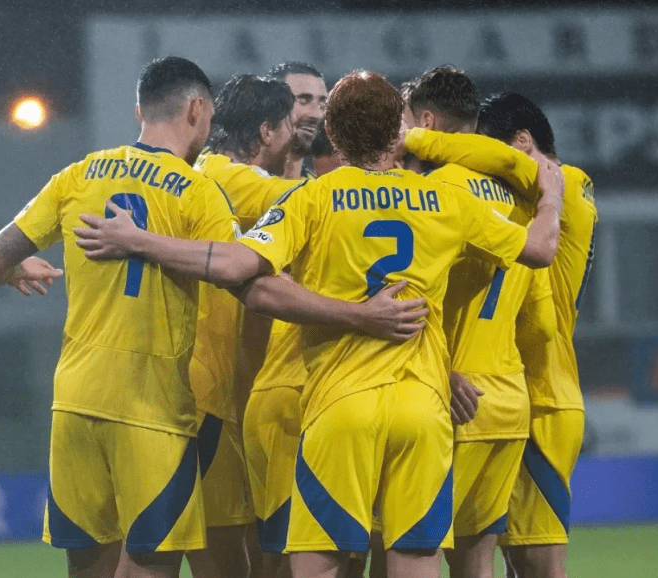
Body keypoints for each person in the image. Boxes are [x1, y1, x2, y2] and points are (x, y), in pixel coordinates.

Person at [73, 70, 566, 578]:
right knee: (415, 561)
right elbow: (540, 249)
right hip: (424, 407)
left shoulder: (312, 198)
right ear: (398, 134)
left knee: (316, 563)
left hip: (339, 405)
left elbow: (242, 271)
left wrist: (138, 240)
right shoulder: (448, 200)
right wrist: (550, 195)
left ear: (336, 130)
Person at [0, 57, 422, 578]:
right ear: (197, 109)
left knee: (91, 566)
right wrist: (359, 314)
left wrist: (13, 271)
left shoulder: (78, 174)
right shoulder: (197, 190)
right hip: (154, 405)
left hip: (73, 402)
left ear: (140, 107)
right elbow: (250, 281)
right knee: (166, 564)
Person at [403, 93, 598, 578]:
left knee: (537, 564)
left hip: (544, 390)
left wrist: (415, 139)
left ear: (522, 143)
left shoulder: (564, 183)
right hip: (519, 389)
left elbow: (543, 323)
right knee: (493, 557)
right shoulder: (523, 202)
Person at [186, 73, 296, 578]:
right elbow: (318, 203)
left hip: (226, 391)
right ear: (268, 131)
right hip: (213, 396)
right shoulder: (232, 178)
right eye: (293, 123)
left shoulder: (201, 175)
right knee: (229, 555)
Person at [266, 62, 328, 179]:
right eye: (303, 100)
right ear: (271, 105)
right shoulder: (236, 187)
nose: (317, 115)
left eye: (322, 103)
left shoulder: (319, 193)